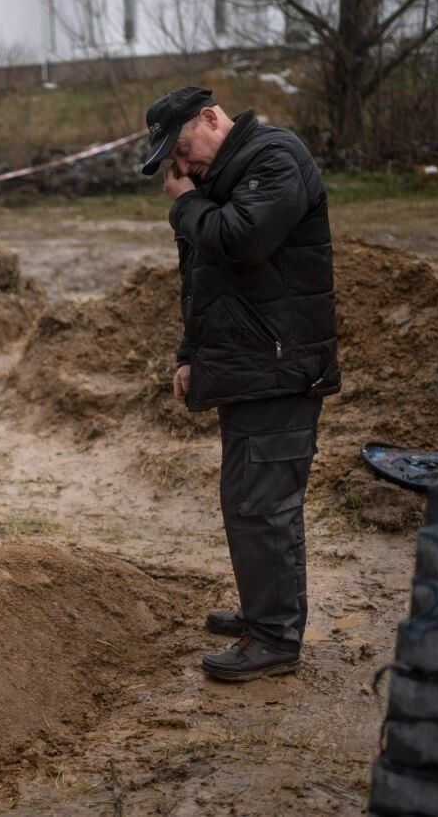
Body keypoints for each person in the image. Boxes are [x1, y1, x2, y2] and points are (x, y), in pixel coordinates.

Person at [140, 86, 341, 682]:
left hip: (279, 369)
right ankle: (264, 614)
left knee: (264, 507)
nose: (184, 168)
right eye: (176, 165)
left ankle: (275, 639)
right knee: (246, 503)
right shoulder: (225, 179)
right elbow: (206, 278)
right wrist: (189, 354)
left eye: (183, 150)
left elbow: (244, 241)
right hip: (250, 367)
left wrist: (184, 206)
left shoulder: (275, 157)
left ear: (211, 117)